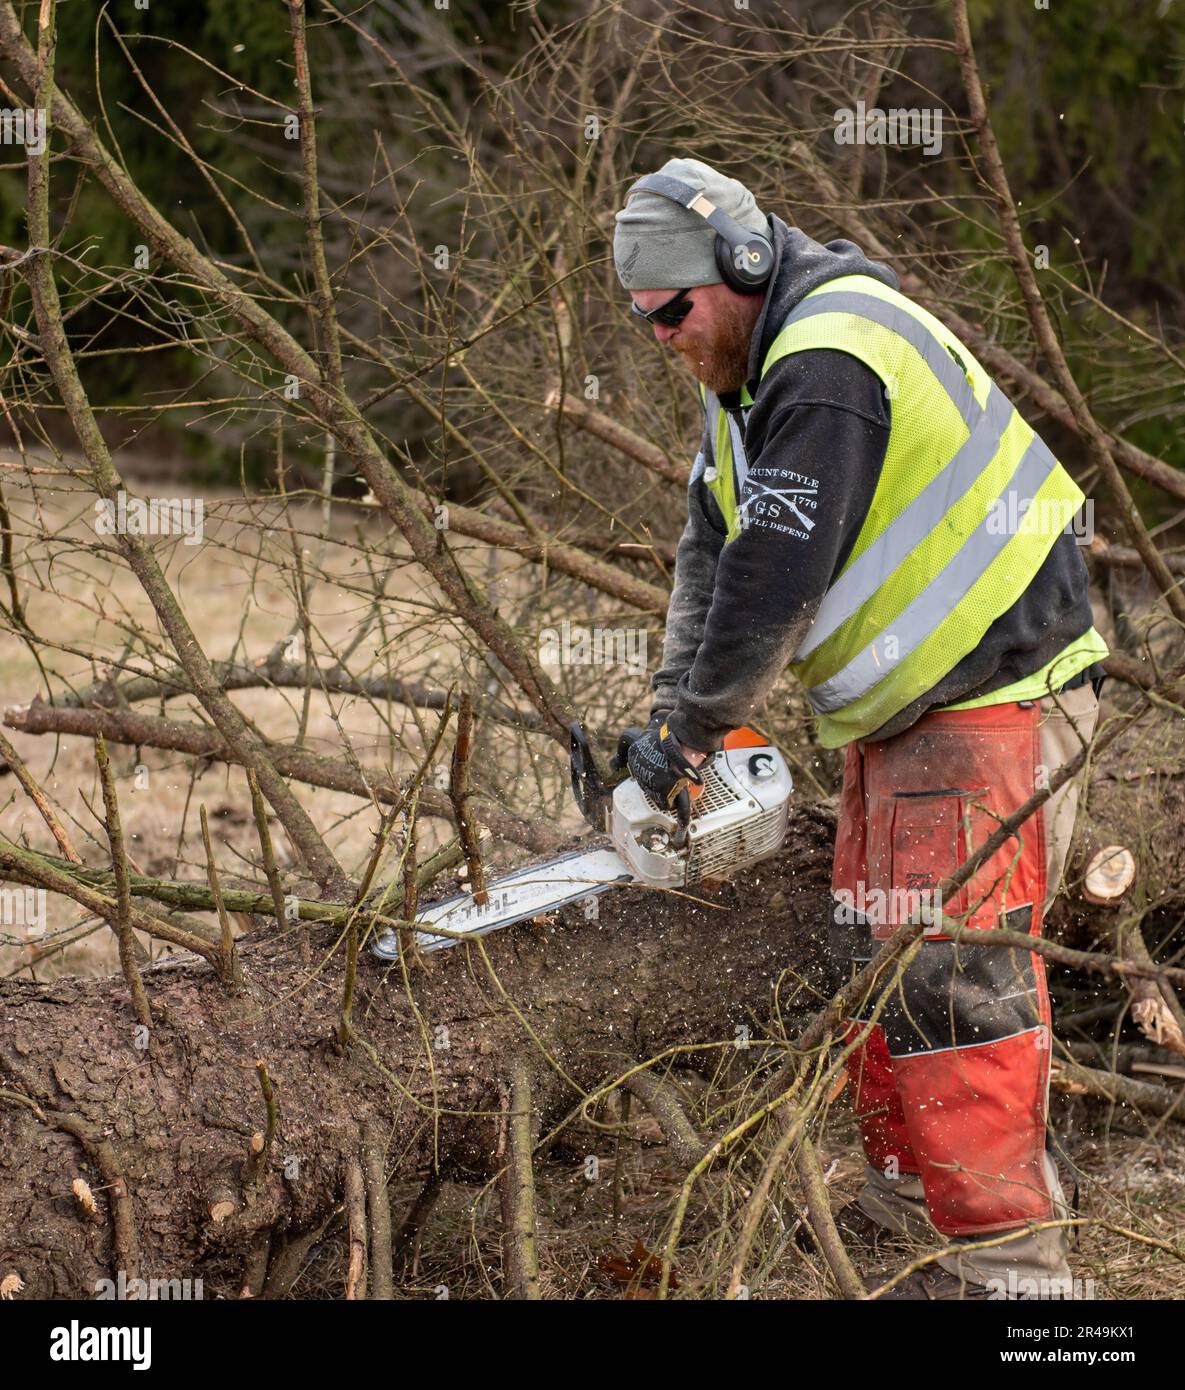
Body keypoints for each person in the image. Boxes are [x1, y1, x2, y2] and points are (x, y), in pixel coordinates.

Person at [613, 156, 1108, 1299]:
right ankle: (905, 1213)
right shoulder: (744, 382)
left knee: (953, 990)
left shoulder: (827, 357)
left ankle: (1014, 1277)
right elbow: (710, 551)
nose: (661, 334)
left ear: (739, 267)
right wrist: (665, 722)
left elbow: (774, 574)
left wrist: (698, 732)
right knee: (869, 963)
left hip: (997, 688)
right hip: (908, 713)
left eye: (673, 311)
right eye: (641, 321)